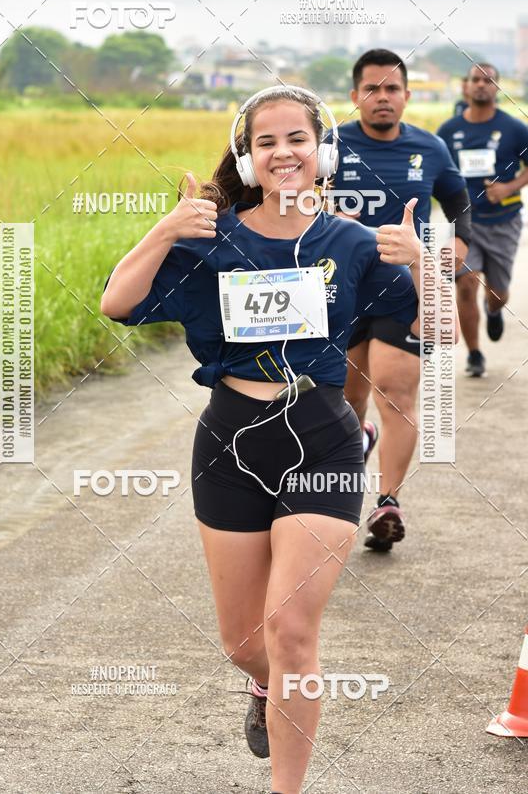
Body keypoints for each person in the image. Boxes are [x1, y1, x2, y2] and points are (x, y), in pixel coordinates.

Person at [101, 86, 435, 794]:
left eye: (297, 139)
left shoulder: (351, 241)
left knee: (291, 636)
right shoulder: (213, 239)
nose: (283, 152)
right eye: (266, 142)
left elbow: (436, 335)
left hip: (323, 440)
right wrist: (164, 229)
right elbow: (117, 302)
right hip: (229, 441)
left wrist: (422, 263)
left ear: (325, 152)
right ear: (248, 158)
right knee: (246, 645)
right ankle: (262, 687)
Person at [324, 49, 471, 553]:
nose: (382, 98)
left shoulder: (429, 148)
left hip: (401, 292)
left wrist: (460, 241)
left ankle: (387, 502)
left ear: (406, 95)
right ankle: (356, 447)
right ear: (354, 96)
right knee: (344, 401)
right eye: (371, 89)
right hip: (337, 294)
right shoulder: (328, 147)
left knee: (394, 393)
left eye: (391, 89)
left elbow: (457, 198)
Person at [438, 62, 528, 378]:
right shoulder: (448, 131)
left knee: (498, 291)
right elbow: (435, 171)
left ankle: (494, 310)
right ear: (467, 85)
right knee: (465, 284)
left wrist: (509, 186)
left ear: (496, 88)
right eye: (476, 79)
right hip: (466, 223)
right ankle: (475, 354)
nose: (481, 85)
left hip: (504, 221)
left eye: (489, 80)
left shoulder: (516, 129)